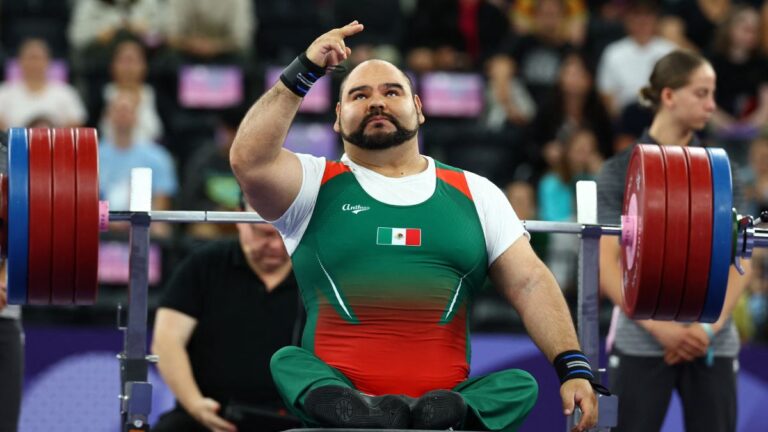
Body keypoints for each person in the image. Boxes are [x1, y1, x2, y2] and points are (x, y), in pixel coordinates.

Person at [230, 21, 599, 431]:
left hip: (438, 408)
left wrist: (573, 367)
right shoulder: (312, 184)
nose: (376, 102)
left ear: (419, 109)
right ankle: (363, 414)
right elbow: (250, 161)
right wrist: (305, 70)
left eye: (392, 92)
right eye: (359, 95)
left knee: (519, 385)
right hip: (340, 410)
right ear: (337, 118)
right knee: (288, 361)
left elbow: (530, 282)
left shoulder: (477, 192)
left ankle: (440, 415)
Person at [596, 50, 751, 432]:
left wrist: (706, 329)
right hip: (641, 341)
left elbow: (744, 260)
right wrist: (658, 327)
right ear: (668, 96)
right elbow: (605, 262)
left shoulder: (724, 172)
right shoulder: (619, 170)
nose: (712, 105)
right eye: (701, 93)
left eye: (712, 94)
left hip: (710, 342)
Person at [151, 208, 303, 432]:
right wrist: (195, 405)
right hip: (209, 413)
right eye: (264, 234)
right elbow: (167, 341)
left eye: (284, 234)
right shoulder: (205, 263)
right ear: (240, 219)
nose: (276, 245)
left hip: (295, 420)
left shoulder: (315, 270)